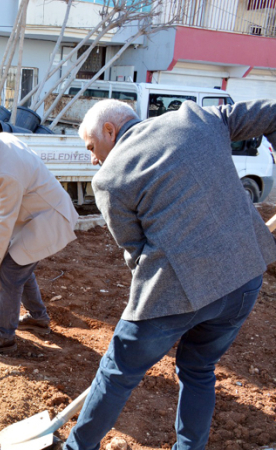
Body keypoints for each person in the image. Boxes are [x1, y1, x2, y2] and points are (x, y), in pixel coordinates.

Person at [64, 99, 276, 450]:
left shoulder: (110, 178)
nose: (92, 159)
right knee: (198, 369)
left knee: (117, 374)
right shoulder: (199, 118)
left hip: (175, 289)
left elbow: (133, 250)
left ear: (109, 130)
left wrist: (156, 311)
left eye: (91, 148)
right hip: (244, 277)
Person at [0, 116, 78, 352]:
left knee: (10, 269)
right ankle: (38, 319)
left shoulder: (7, 171)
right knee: (19, 261)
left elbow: (5, 223)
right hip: (35, 217)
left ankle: (4, 337)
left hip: (50, 218)